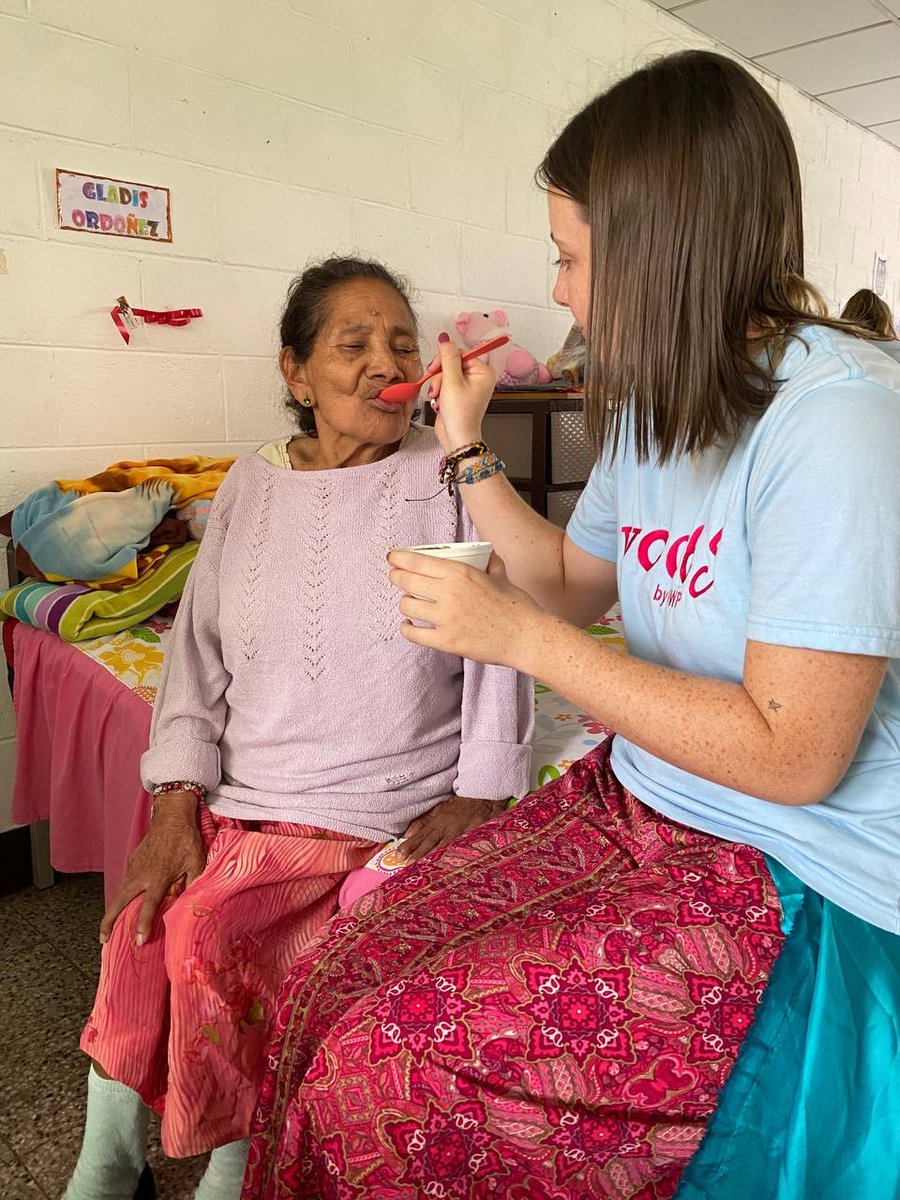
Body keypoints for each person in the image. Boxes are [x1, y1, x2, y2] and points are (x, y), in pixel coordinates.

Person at [243, 53, 900, 1200]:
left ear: (661, 253)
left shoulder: (835, 423)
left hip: (795, 865)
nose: (561, 290)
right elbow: (566, 583)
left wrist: (522, 642)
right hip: (642, 798)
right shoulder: (661, 402)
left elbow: (794, 754)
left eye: (572, 257)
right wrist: (463, 442)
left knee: (381, 1066)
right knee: (337, 971)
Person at [63, 257, 532, 1200]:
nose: (383, 362)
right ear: (295, 373)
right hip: (245, 800)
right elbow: (194, 659)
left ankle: (239, 1163)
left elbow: (502, 641)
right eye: (351, 345)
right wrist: (175, 805)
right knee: (139, 931)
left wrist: (480, 791)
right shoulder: (247, 485)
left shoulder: (444, 479)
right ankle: (109, 1167)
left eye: (401, 343)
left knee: (217, 941)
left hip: (375, 808)